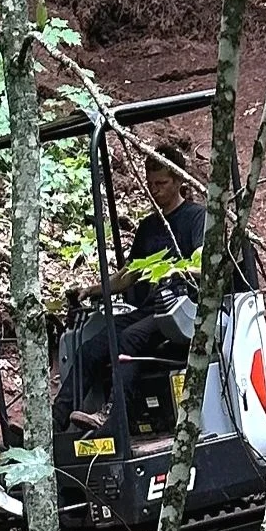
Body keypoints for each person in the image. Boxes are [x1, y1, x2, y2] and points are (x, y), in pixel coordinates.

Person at [51, 137, 206, 445]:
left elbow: (203, 264)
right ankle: (54, 423)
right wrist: (94, 289)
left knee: (129, 338)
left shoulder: (196, 217)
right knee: (92, 347)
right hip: (151, 308)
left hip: (183, 309)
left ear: (178, 181)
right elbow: (129, 275)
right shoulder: (148, 227)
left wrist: (176, 271)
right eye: (151, 184)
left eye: (162, 183)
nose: (155, 190)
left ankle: (113, 417)